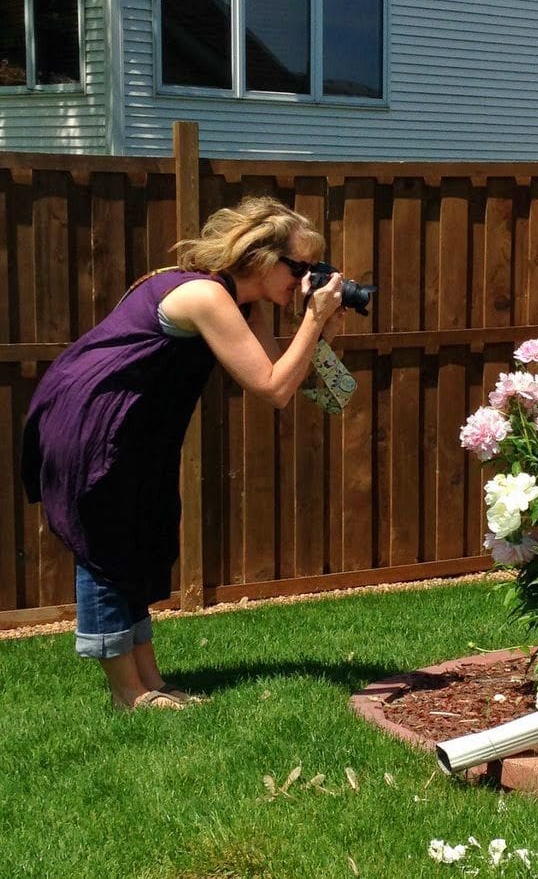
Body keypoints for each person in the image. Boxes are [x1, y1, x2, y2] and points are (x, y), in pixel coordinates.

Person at [21, 197, 345, 710]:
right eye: (300, 267)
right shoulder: (203, 295)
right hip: (92, 423)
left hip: (134, 431)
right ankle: (128, 694)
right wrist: (314, 318)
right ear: (262, 257)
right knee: (106, 548)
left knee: (138, 538)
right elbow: (272, 388)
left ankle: (151, 682)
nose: (306, 280)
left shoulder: (245, 301)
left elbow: (280, 370)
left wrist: (317, 322)